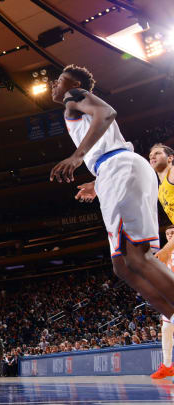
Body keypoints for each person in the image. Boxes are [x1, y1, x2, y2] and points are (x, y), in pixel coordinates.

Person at [51, 65, 174, 347]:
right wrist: (97, 182)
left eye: (60, 80)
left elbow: (107, 114)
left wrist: (77, 156)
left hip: (119, 168)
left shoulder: (75, 95)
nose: (55, 85)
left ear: (76, 82)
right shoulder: (75, 107)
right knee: (123, 266)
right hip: (112, 172)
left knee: (137, 256)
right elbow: (107, 144)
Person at [150, 225, 174, 378]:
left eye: (173, 233)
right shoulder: (164, 253)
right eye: (167, 233)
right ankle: (167, 365)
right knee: (166, 330)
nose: (170, 235)